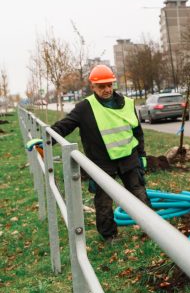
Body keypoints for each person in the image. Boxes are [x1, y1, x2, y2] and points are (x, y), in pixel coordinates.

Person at [50, 65, 151, 242]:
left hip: (129, 158)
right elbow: (65, 126)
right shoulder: (85, 108)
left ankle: (152, 230)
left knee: (139, 194)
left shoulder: (127, 104)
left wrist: (142, 155)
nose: (107, 89)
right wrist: (45, 139)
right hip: (102, 163)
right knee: (103, 201)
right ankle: (109, 235)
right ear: (93, 87)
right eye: (102, 86)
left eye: (109, 85)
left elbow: (138, 132)